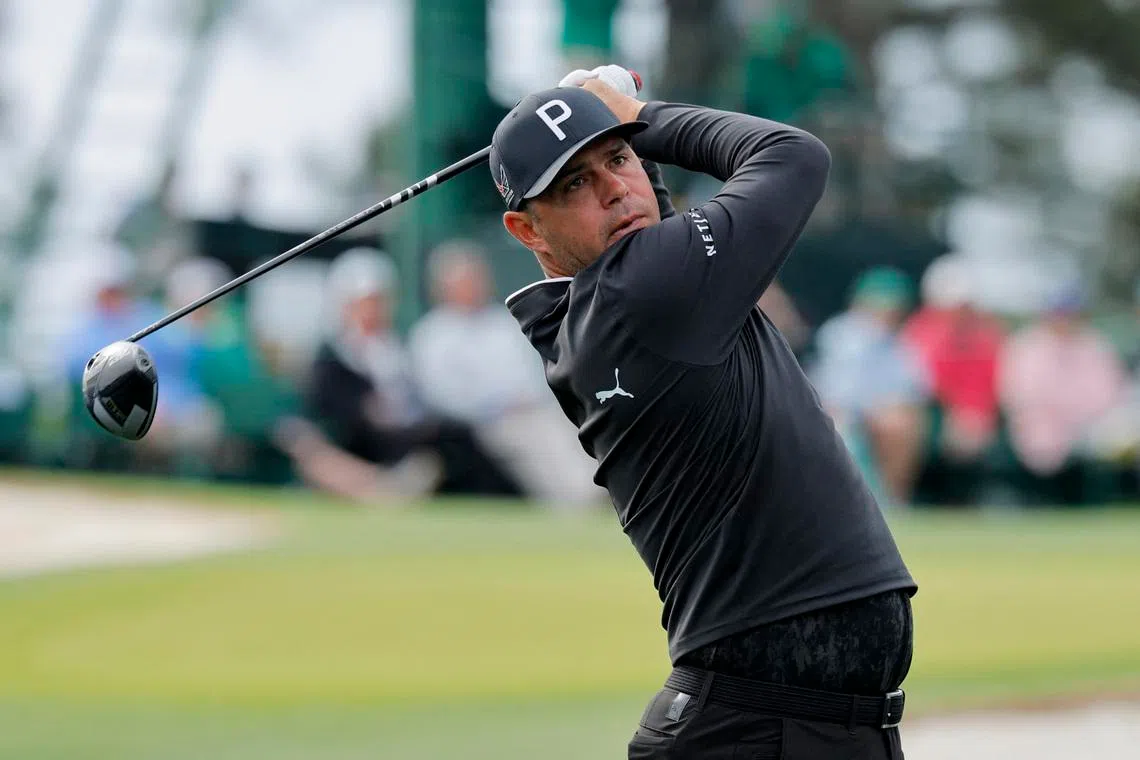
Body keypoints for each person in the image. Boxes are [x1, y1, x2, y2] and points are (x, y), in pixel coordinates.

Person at [492, 66, 916, 759]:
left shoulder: (594, 310)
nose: (614, 189)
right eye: (573, 185)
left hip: (786, 723)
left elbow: (644, 218)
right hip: (752, 729)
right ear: (526, 230)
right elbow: (792, 157)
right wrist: (639, 114)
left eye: (619, 159)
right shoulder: (644, 289)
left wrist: (621, 128)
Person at [408, 239, 606, 508]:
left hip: (532, 411)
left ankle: (596, 489)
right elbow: (441, 396)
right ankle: (579, 497)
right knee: (532, 437)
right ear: (444, 287)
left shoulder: (503, 323)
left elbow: (534, 375)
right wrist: (499, 405)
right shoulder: (433, 334)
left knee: (564, 423)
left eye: (475, 279)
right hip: (479, 424)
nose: (472, 287)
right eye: (464, 281)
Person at [810, 266, 931, 507]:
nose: (887, 313)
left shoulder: (901, 342)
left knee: (904, 423)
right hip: (832, 410)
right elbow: (833, 391)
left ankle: (892, 502)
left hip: (876, 414)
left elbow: (913, 390)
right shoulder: (838, 334)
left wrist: (884, 408)